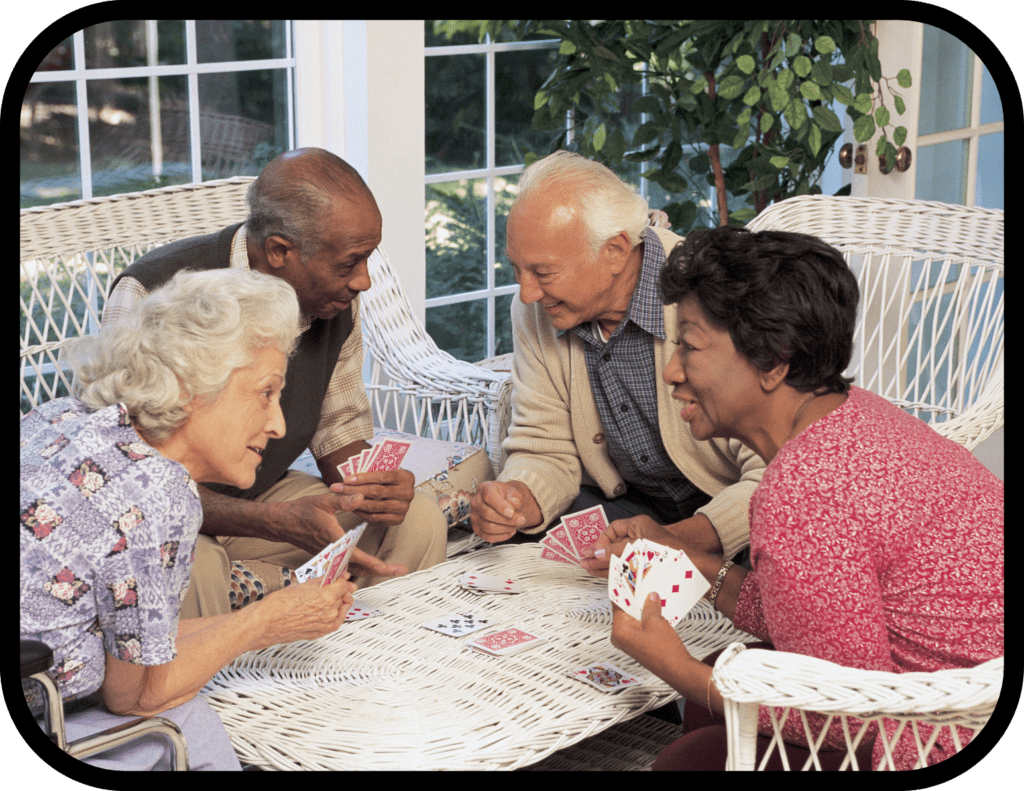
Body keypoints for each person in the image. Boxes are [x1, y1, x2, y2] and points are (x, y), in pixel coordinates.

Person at [604, 225, 1003, 771]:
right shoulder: (856, 413)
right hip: (978, 700)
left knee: (685, 759)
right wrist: (692, 565)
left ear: (773, 361)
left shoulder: (803, 490)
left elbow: (842, 721)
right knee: (720, 691)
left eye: (689, 346)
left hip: (957, 740)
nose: (671, 372)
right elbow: (821, 614)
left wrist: (673, 665)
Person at [20, 269, 397, 770]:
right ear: (186, 386)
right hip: (39, 725)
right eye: (266, 392)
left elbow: (133, 647)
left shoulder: (62, 418)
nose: (278, 423)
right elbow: (134, 697)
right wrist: (265, 622)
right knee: (191, 719)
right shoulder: (160, 493)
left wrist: (280, 612)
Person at [102, 147, 448, 618]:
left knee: (417, 519)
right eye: (350, 263)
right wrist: (274, 522)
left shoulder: (334, 301)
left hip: (263, 500)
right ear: (280, 251)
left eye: (368, 259)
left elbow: (340, 430)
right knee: (192, 564)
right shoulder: (150, 294)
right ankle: (205, 689)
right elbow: (124, 477)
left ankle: (372, 668)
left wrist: (376, 489)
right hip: (163, 514)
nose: (364, 281)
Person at [470, 151, 764, 563]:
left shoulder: (716, 295)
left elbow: (775, 469)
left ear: (615, 251)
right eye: (516, 269)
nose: (527, 293)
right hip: (627, 509)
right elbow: (544, 446)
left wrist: (679, 541)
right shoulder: (536, 309)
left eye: (543, 272)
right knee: (525, 545)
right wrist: (515, 499)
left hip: (729, 513)